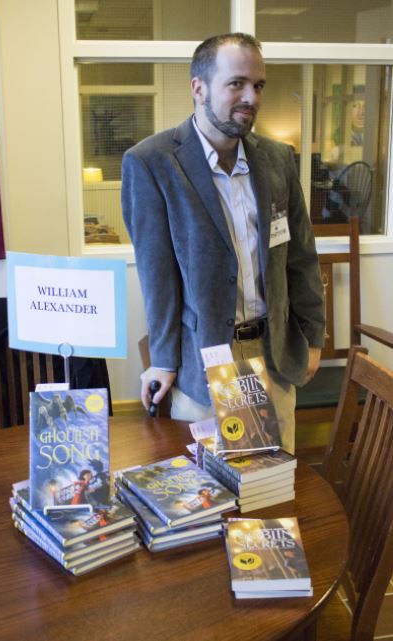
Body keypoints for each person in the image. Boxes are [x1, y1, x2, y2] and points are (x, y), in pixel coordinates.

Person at [122, 33, 325, 454]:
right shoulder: (152, 162)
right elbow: (157, 273)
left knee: (272, 485)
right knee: (212, 495)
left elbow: (301, 256)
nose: (250, 97)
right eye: (236, 84)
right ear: (199, 87)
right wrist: (163, 359)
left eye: (259, 85)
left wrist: (314, 336)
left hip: (275, 355)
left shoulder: (277, 159)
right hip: (207, 356)